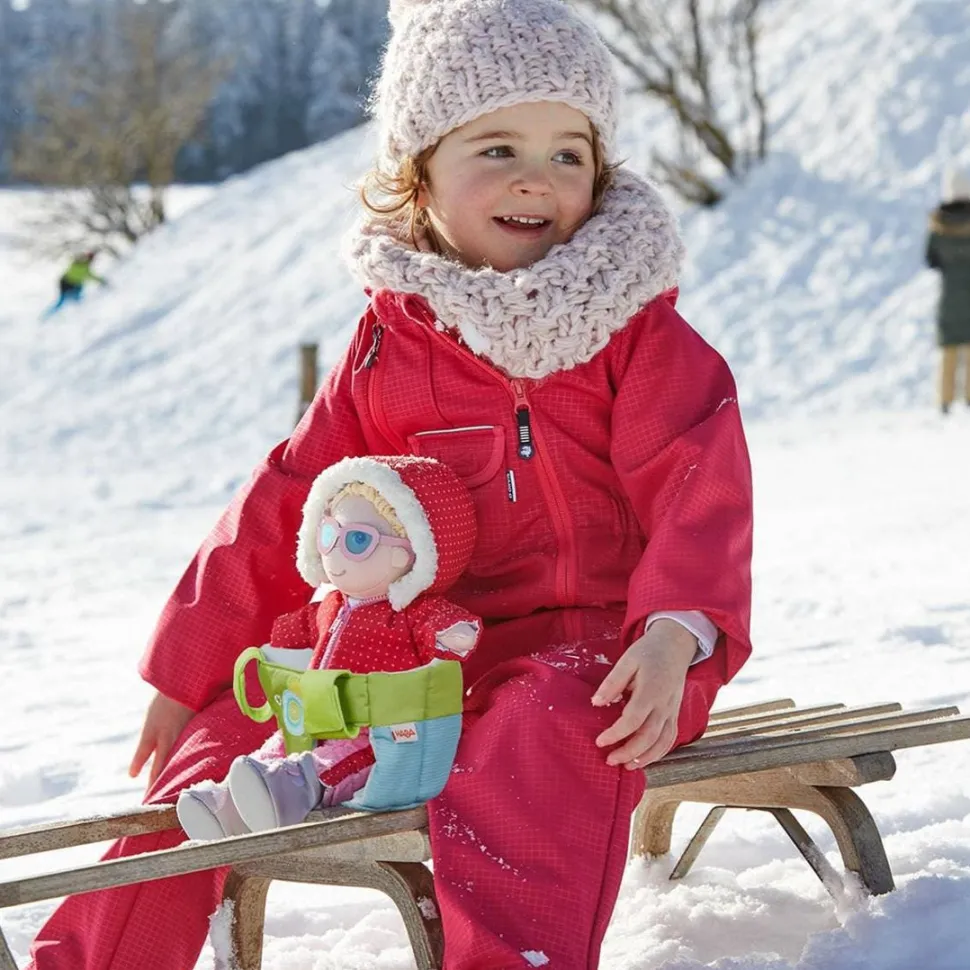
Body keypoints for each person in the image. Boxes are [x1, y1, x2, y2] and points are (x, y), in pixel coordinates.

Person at [26, 1, 753, 967]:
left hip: (606, 659)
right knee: (224, 742)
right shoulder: (389, 344)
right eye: (497, 147)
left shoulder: (637, 336)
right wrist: (185, 670)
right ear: (419, 172)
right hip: (405, 657)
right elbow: (288, 499)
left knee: (541, 732)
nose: (536, 177)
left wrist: (674, 635)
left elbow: (702, 489)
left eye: (568, 153)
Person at [176, 454, 481, 838]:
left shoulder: (407, 613)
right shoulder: (331, 607)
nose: (335, 553)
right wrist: (281, 646)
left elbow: (446, 628)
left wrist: (453, 635)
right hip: (316, 719)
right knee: (274, 752)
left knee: (330, 764)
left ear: (410, 553)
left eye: (357, 541)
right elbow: (296, 629)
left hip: (377, 734)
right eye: (328, 535)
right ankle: (227, 805)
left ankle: (288, 792)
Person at [926, 164, 970, 414]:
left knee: (949, 350)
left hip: (949, 297)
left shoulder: (939, 226)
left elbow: (930, 259)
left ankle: (945, 400)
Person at [42, 251, 107, 318]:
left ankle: (76, 311)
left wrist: (101, 281)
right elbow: (89, 274)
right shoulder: (81, 265)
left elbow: (90, 275)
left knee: (71, 298)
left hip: (70, 283)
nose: (91, 262)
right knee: (63, 300)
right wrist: (101, 281)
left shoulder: (83, 266)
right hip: (67, 283)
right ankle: (48, 315)